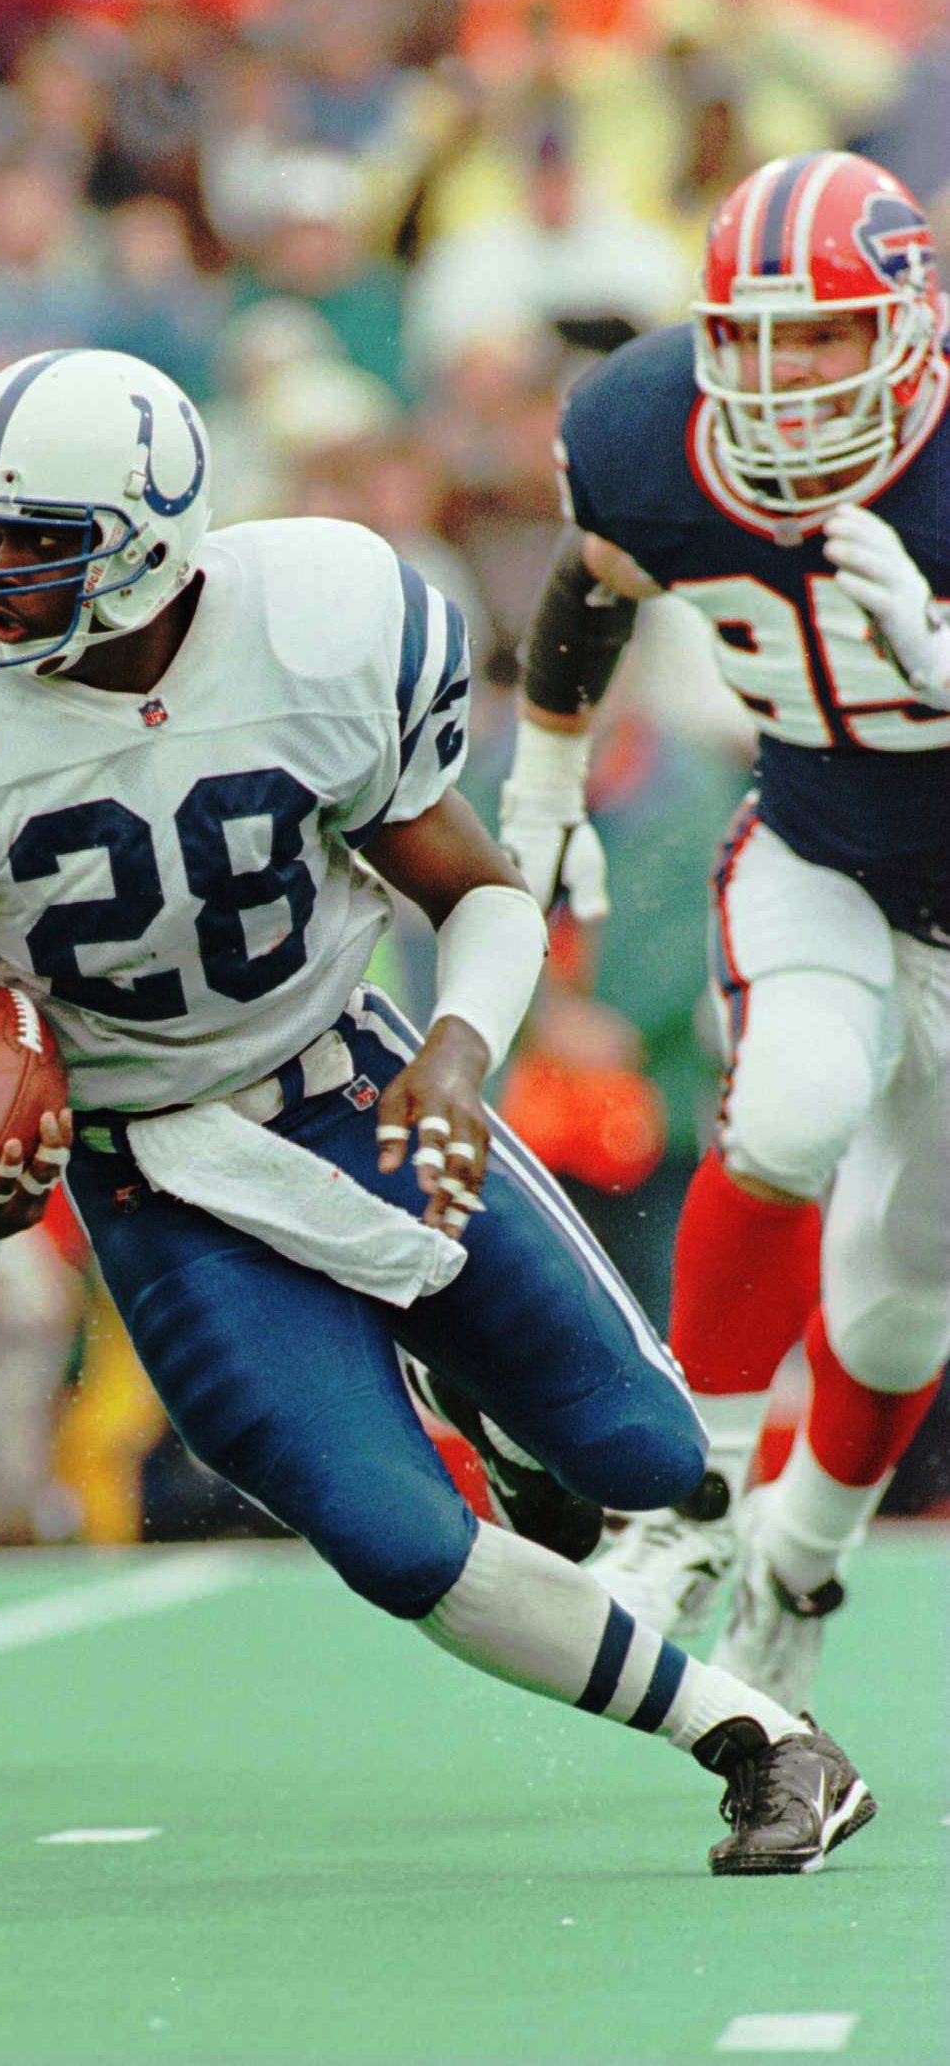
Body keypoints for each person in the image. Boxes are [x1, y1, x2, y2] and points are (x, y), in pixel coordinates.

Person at [0, 343, 875, 1875]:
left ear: (153, 542)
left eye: (34, 542)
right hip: (158, 1172)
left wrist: (458, 1045)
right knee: (394, 1536)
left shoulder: (321, 627)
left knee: (643, 1457)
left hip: (361, 1081)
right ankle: (758, 1740)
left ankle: (483, 1402)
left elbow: (480, 891)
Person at [496, 149, 949, 1710]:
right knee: (791, 1107)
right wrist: (549, 767)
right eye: (750, 338)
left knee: (906, 1296)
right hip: (818, 845)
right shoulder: (647, 432)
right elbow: (596, 575)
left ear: (905, 326)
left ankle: (797, 1565)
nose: (780, 374)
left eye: (821, 334)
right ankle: (684, 1490)